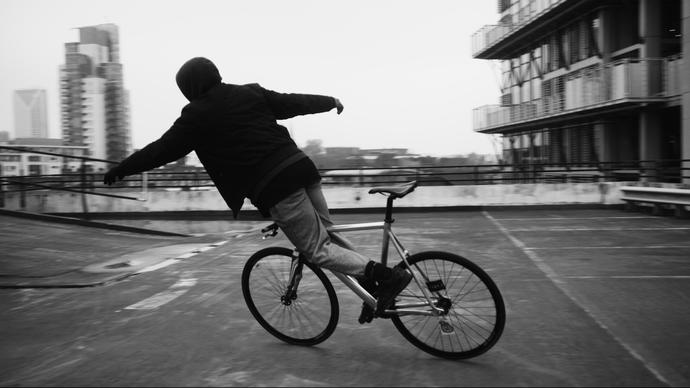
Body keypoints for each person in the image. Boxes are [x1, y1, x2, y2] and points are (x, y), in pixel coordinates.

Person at [103, 57, 411, 320]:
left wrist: (121, 169)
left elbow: (160, 150)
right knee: (327, 234)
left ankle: (386, 278)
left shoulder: (195, 116)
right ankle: (374, 288)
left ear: (189, 88)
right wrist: (329, 101)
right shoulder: (248, 92)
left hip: (276, 185)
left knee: (316, 250)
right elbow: (292, 102)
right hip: (302, 167)